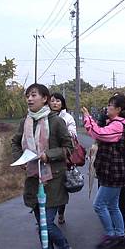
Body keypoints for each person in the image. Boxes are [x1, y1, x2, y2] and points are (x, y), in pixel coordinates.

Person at [11, 84, 73, 249]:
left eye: (33, 95)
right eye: (27, 96)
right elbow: (16, 142)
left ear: (44, 98)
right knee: (41, 224)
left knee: (46, 224)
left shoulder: (56, 121)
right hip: (33, 179)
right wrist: (21, 159)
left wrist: (49, 155)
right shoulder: (25, 121)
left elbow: (68, 147)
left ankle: (65, 246)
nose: (29, 99)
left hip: (53, 180)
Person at [82, 95, 125, 249]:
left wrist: (87, 117)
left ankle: (111, 235)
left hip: (113, 170)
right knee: (112, 205)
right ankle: (120, 234)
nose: (107, 107)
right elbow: (95, 133)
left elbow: (99, 134)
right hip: (111, 170)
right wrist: (91, 122)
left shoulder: (118, 125)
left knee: (99, 205)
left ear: (119, 109)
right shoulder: (115, 123)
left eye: (111, 105)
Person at [49, 92, 77, 225]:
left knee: (61, 186)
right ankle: (47, 217)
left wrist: (61, 129)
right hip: (47, 156)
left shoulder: (67, 117)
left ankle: (60, 213)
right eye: (52, 101)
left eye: (58, 101)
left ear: (62, 103)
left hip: (63, 156)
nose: (55, 103)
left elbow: (73, 134)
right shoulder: (45, 116)